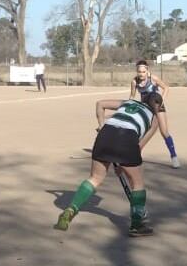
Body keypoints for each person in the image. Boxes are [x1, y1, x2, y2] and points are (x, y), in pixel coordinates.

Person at [54, 92, 161, 236]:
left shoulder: (127, 102)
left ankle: (71, 209)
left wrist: (101, 124)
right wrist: (123, 165)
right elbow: (138, 146)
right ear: (157, 105)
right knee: (137, 183)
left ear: (143, 99)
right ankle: (136, 225)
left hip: (105, 134)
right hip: (127, 139)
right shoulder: (154, 119)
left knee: (95, 178)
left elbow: (100, 103)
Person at [131, 60, 180, 168]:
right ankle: (136, 154)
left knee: (164, 131)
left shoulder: (153, 78)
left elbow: (166, 88)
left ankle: (174, 156)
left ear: (147, 70)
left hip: (157, 105)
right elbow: (132, 96)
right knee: (141, 132)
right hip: (145, 107)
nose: (141, 74)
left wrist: (162, 100)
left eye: (143, 72)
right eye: (139, 72)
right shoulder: (134, 82)